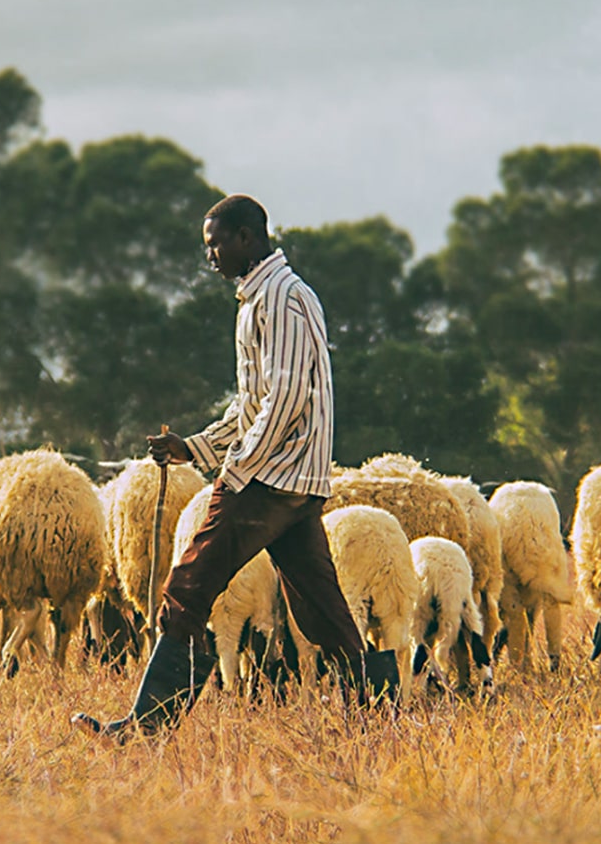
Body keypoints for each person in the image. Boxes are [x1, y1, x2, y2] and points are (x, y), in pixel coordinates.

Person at [70, 193, 394, 741]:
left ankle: (145, 729)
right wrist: (192, 447)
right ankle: (379, 719)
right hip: (291, 481)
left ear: (247, 237)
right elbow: (250, 405)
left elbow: (286, 397)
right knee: (321, 611)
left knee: (186, 590)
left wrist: (238, 467)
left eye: (216, 243)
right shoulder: (258, 300)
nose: (211, 256)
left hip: (268, 479)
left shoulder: (284, 299)